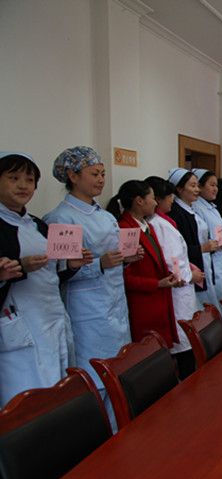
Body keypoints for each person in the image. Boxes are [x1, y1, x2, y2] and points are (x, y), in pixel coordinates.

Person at [44, 146, 133, 420]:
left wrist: (127, 258)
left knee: (120, 372)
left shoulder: (106, 216)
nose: (101, 179)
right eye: (94, 174)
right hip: (87, 310)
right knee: (96, 379)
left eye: (103, 174)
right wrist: (99, 264)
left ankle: (121, 428)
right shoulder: (61, 218)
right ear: (73, 176)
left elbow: (114, 258)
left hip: (115, 304)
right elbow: (59, 272)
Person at [0, 152, 92, 405]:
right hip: (20, 323)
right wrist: (19, 267)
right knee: (27, 398)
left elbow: (53, 274)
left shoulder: (37, 225)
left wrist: (71, 265)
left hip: (51, 317)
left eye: (29, 180)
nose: (23, 186)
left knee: (57, 390)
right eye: (14, 178)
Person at [108, 180, 179, 348]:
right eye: (152, 198)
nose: (155, 203)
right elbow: (125, 277)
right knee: (149, 351)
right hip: (144, 304)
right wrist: (157, 283)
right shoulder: (126, 229)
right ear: (139, 201)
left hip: (159, 300)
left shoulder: (147, 227)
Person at [147, 176, 202, 379]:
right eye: (169, 196)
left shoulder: (164, 222)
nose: (172, 200)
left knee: (185, 339)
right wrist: (190, 275)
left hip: (181, 289)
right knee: (183, 343)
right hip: (178, 290)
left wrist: (189, 267)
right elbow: (172, 262)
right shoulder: (159, 225)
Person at [167, 168, 222, 317]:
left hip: (203, 262)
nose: (197, 190)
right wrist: (202, 248)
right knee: (198, 313)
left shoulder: (190, 209)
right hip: (190, 269)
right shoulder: (176, 213)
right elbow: (178, 249)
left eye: (197, 186)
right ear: (179, 189)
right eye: (192, 186)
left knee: (208, 307)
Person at [192, 169, 222, 314]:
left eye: (216, 185)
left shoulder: (212, 208)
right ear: (200, 186)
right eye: (212, 185)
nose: (216, 189)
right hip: (211, 260)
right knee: (213, 307)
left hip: (221, 260)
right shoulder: (197, 208)